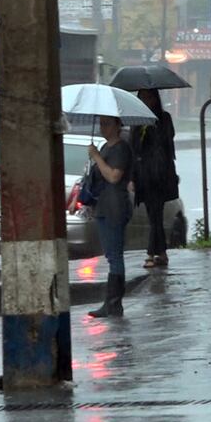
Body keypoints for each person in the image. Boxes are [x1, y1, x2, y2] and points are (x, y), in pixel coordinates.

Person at [71, 115, 132, 318]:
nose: (102, 127)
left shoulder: (121, 149)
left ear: (117, 125)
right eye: (101, 123)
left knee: (115, 255)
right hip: (103, 207)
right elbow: (93, 179)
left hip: (115, 206)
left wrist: (96, 156)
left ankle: (114, 303)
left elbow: (114, 176)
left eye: (107, 123)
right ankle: (111, 302)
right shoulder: (106, 147)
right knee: (111, 254)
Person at [131, 88, 179, 269]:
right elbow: (134, 149)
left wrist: (153, 125)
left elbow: (167, 142)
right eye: (142, 97)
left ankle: (151, 253)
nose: (145, 100)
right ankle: (162, 252)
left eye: (148, 97)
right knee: (153, 215)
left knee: (156, 214)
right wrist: (132, 177)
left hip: (160, 175)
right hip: (143, 175)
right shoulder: (136, 121)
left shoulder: (164, 118)